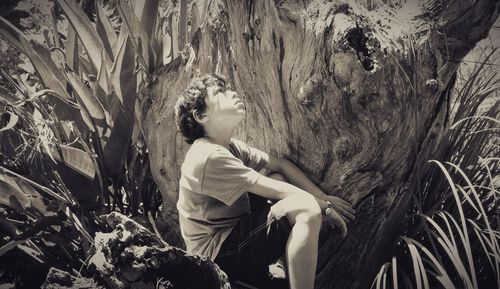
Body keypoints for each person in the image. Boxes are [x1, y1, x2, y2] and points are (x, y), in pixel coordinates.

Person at [174, 73, 355, 289]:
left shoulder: (231, 147)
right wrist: (324, 207)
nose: (232, 93)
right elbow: (272, 190)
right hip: (216, 257)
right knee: (306, 208)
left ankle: (282, 265)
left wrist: (322, 196)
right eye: (220, 92)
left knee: (281, 179)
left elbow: (280, 166)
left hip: (235, 234)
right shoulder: (208, 155)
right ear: (201, 116)